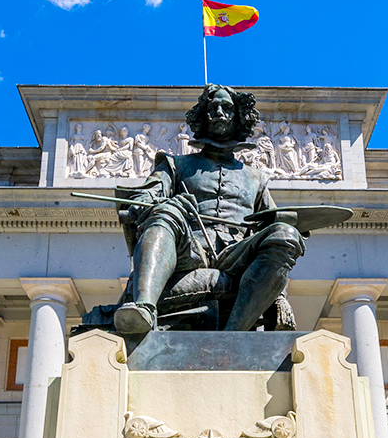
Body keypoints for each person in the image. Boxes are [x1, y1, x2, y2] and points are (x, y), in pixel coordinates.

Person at [109, 84, 304, 334]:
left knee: (286, 234)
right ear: (203, 117)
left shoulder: (256, 178)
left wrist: (280, 295)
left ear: (238, 118)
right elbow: (142, 199)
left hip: (236, 255)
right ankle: (144, 309)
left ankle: (233, 335)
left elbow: (273, 226)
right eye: (213, 108)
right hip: (188, 251)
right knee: (168, 211)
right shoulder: (175, 165)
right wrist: (166, 202)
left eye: (227, 108)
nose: (219, 113)